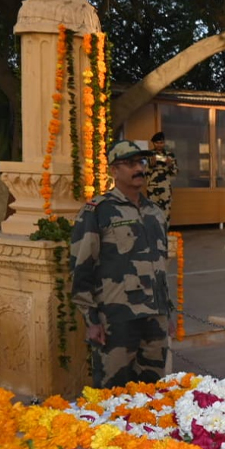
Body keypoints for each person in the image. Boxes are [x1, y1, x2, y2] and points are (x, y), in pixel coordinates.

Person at [69, 140, 172, 388]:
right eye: (130, 163)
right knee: (112, 392)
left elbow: (160, 265)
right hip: (117, 318)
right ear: (114, 171)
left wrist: (167, 311)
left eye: (142, 162)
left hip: (154, 317)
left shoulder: (154, 212)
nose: (139, 169)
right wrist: (91, 319)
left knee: (153, 392)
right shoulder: (98, 211)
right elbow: (81, 266)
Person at [145, 132, 178, 220]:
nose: (159, 145)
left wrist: (170, 165)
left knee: (166, 212)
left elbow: (175, 172)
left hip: (165, 188)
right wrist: (151, 165)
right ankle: (155, 233)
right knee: (152, 212)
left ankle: (164, 232)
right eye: (157, 143)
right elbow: (142, 172)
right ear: (153, 143)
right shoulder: (148, 155)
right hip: (152, 188)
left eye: (161, 142)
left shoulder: (170, 155)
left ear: (164, 143)